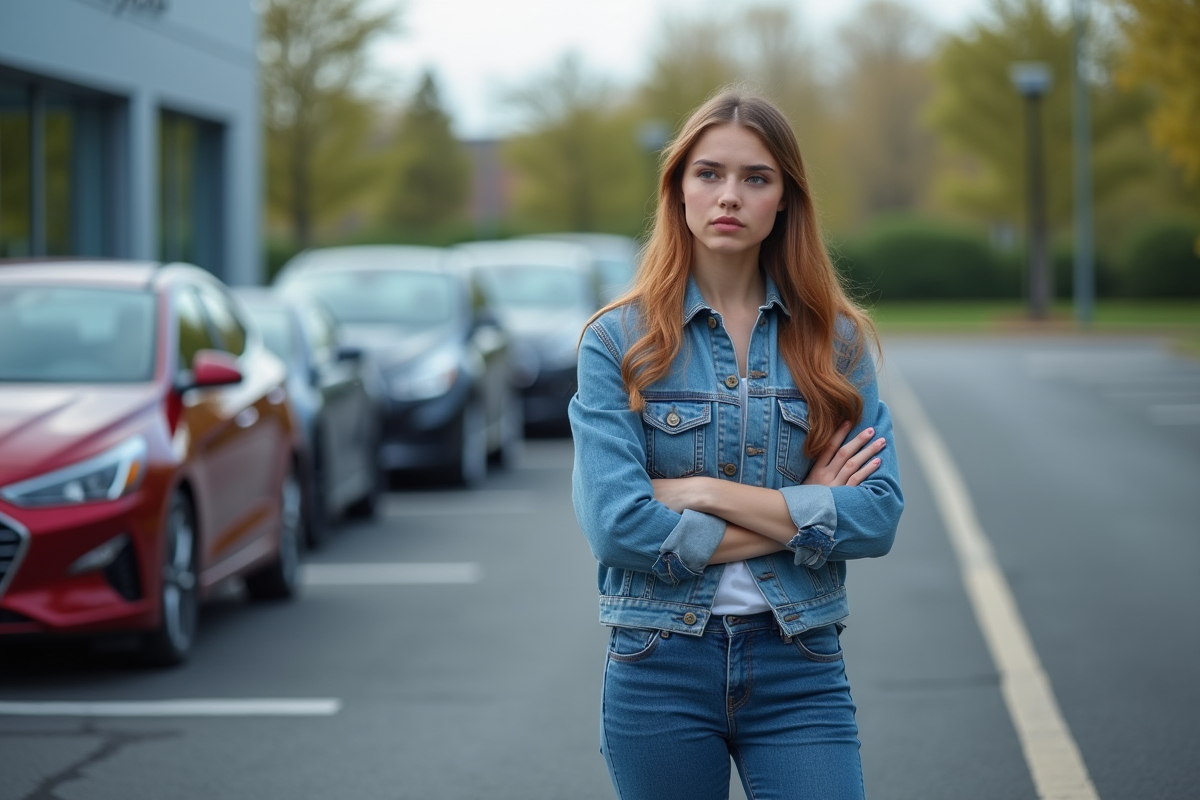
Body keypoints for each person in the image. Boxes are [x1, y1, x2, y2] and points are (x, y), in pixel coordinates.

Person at [569, 89, 904, 800]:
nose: (730, 195)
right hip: (658, 665)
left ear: (784, 199)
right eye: (709, 173)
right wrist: (808, 515)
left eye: (756, 178)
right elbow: (618, 527)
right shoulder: (616, 343)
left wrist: (702, 492)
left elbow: (875, 517)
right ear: (678, 189)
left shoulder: (836, 343)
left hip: (799, 664)